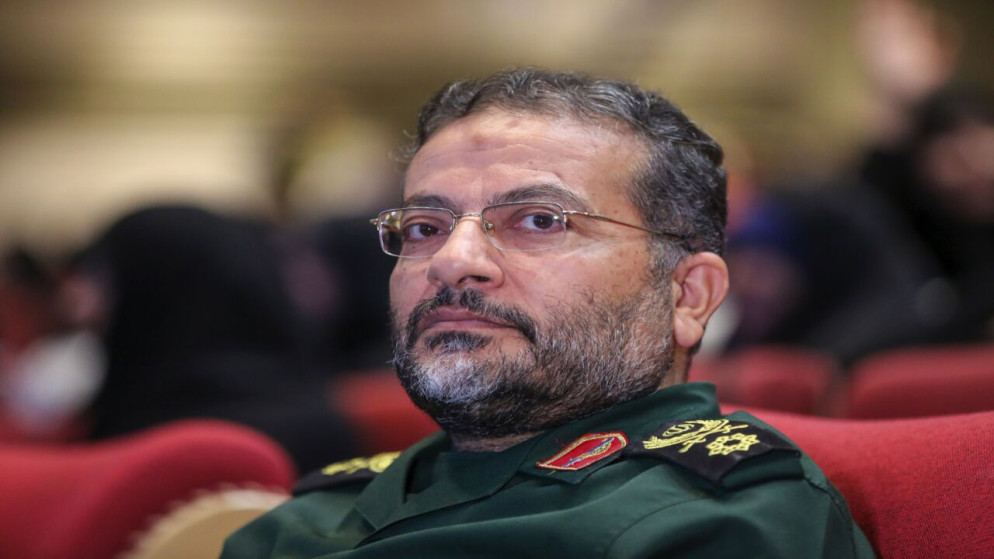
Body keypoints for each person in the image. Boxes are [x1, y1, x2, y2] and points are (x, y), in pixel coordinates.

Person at [222, 68, 875, 558]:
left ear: (687, 295)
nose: (453, 260)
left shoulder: (722, 520)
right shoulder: (300, 521)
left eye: (539, 220)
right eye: (424, 227)